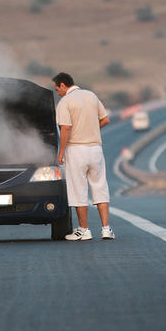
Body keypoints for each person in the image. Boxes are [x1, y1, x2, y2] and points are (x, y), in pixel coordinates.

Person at [52, 72, 114, 241]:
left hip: (76, 150)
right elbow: (105, 119)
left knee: (78, 189)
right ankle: (106, 229)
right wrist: (91, 130)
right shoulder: (91, 95)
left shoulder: (65, 102)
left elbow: (65, 128)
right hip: (95, 148)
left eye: (57, 88)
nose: (57, 92)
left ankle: (84, 230)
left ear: (63, 85)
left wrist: (61, 152)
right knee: (100, 186)